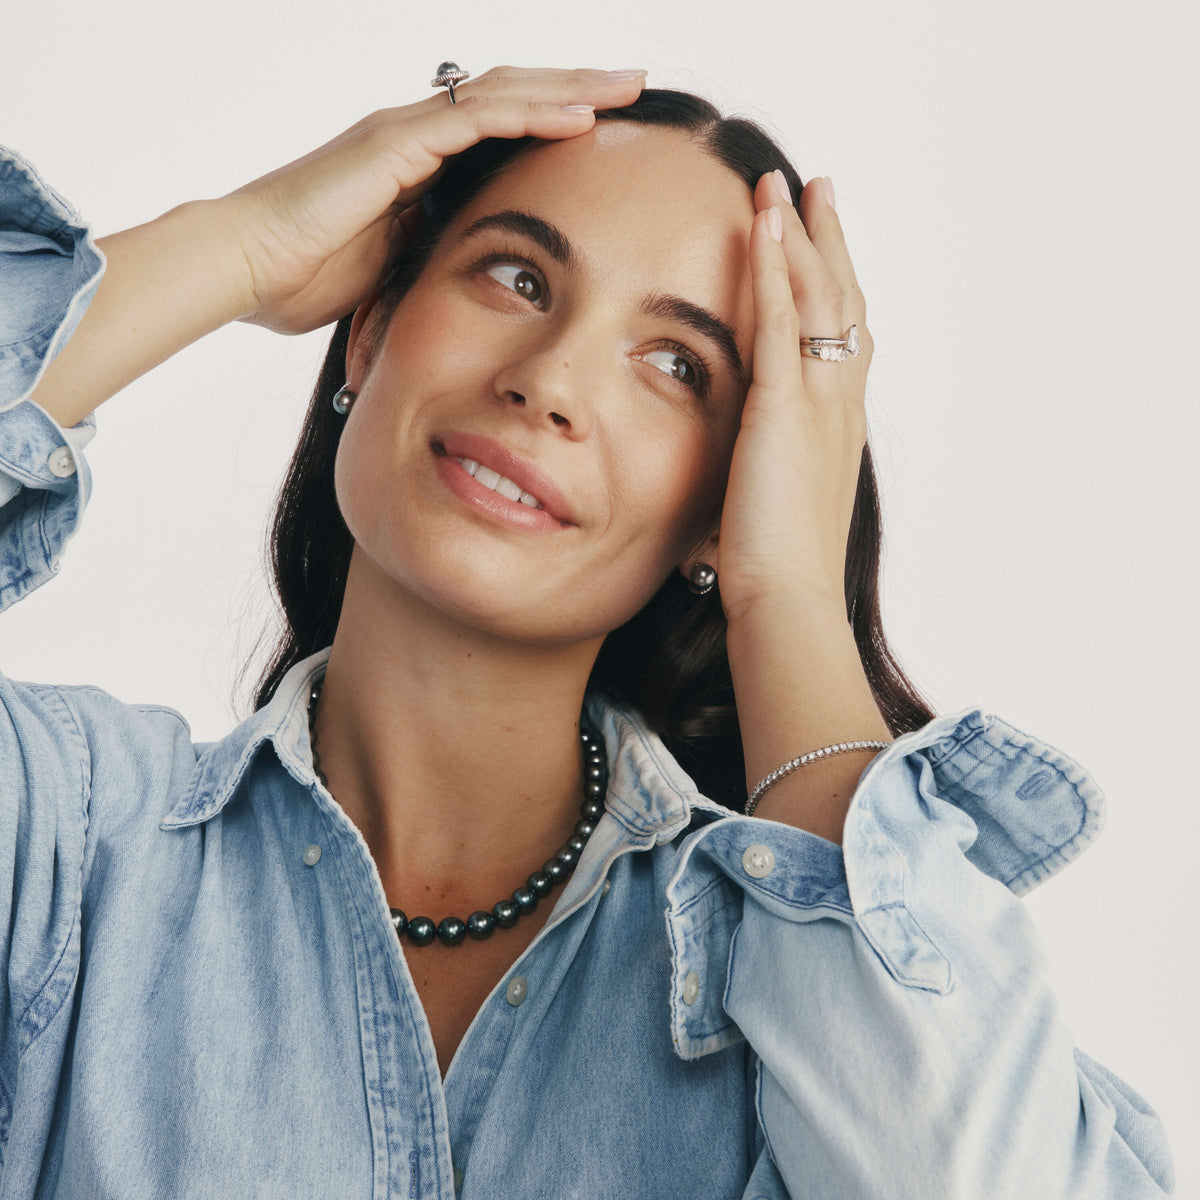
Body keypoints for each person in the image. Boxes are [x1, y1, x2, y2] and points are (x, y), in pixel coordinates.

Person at [0, 64, 1177, 1198]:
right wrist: (240, 245)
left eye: (676, 365)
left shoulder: (811, 985)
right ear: (370, 334)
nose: (551, 379)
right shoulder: (67, 843)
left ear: (730, 494)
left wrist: (791, 594)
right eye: (515, 278)